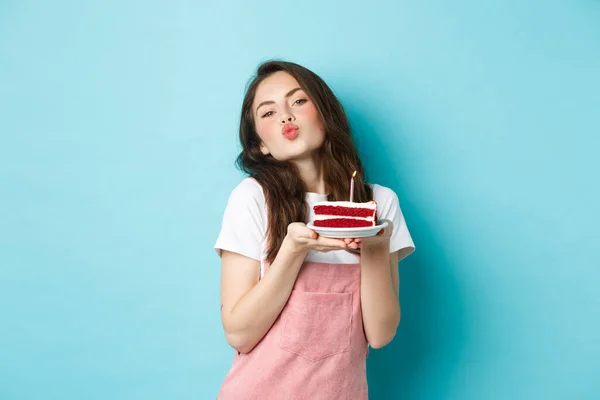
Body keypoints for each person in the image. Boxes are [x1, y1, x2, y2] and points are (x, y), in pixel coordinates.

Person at [213, 60, 415, 399]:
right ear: (260, 145)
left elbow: (380, 334)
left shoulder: (378, 203)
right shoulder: (252, 198)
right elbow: (239, 334)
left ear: (325, 113)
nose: (285, 116)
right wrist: (293, 250)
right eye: (268, 113)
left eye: (299, 101)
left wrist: (375, 247)